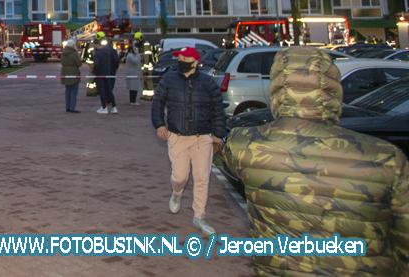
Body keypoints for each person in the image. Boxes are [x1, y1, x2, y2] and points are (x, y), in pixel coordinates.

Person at [222, 47, 409, 275]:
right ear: (333, 89)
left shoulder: (245, 144)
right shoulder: (386, 158)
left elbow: (225, 156)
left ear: (277, 88)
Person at [151, 47, 225, 236]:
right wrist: (159, 124)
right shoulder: (169, 79)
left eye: (184, 58)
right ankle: (177, 193)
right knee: (180, 177)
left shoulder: (207, 82)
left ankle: (199, 216)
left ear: (195, 62)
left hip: (203, 138)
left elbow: (218, 109)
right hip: (177, 137)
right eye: (180, 58)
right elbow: (157, 102)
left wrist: (218, 134)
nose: (180, 61)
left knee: (202, 178)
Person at [93, 35, 120, 114]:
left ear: (97, 44)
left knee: (102, 91)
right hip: (108, 73)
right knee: (109, 91)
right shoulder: (107, 52)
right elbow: (114, 61)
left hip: (100, 74)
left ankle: (104, 107)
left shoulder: (97, 53)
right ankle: (114, 107)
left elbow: (96, 64)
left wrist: (95, 72)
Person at [60, 39, 82, 113]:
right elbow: (79, 63)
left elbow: (61, 62)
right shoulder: (74, 53)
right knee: (73, 91)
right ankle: (72, 108)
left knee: (68, 91)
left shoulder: (63, 52)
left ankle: (67, 107)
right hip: (73, 73)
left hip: (65, 72)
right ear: (73, 45)